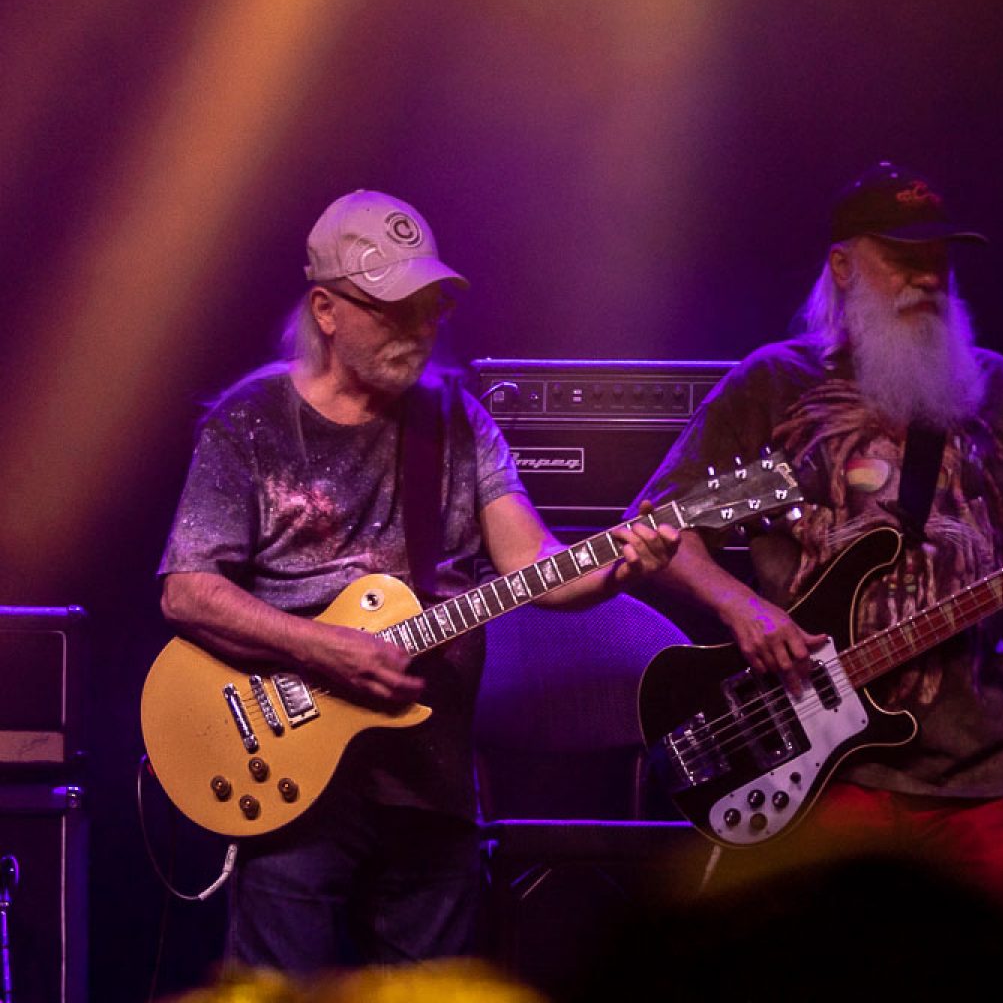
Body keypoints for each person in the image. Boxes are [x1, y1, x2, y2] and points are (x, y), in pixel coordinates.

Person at [626, 160, 1003, 916]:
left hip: (981, 767)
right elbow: (657, 525)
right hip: (822, 762)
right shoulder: (774, 384)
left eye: (939, 258)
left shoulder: (995, 388)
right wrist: (744, 609)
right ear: (843, 266)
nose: (927, 276)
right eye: (903, 257)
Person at [156, 189, 679, 973]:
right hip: (291, 767)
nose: (421, 328)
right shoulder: (251, 420)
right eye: (395, 310)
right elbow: (187, 590)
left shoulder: (458, 420)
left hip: (430, 779)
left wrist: (616, 568)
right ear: (327, 310)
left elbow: (533, 565)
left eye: (430, 307)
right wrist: (323, 649)